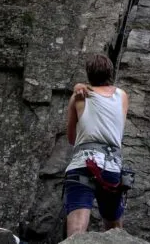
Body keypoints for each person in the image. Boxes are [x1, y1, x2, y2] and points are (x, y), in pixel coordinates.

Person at [63, 54, 130, 236]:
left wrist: (78, 88)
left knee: (76, 232)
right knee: (115, 229)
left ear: (89, 74)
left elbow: (71, 138)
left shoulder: (78, 98)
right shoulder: (122, 96)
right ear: (110, 72)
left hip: (83, 165)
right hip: (111, 167)